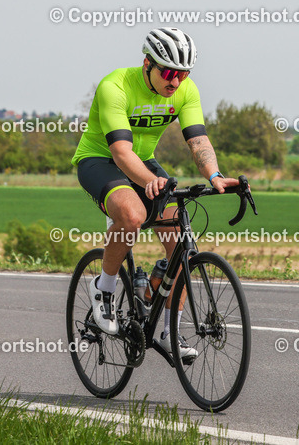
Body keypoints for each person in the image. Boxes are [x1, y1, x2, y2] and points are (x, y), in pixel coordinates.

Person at [72, 27, 237, 358]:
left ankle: (169, 333)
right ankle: (102, 288)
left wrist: (215, 175)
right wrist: (149, 180)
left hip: (144, 161)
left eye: (183, 74)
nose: (175, 81)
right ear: (147, 63)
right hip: (99, 161)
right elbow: (120, 152)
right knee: (133, 216)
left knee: (181, 242)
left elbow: (198, 140)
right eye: (169, 72)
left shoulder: (185, 91)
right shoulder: (115, 85)